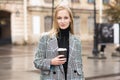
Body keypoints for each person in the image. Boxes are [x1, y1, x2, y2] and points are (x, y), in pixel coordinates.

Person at [33, 5, 84, 80]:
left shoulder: (76, 40)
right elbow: (37, 62)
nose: (62, 21)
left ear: (70, 19)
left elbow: (79, 66)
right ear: (55, 20)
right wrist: (51, 62)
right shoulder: (45, 38)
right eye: (59, 18)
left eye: (66, 18)